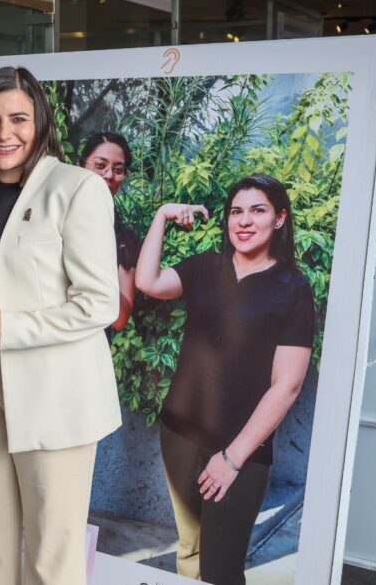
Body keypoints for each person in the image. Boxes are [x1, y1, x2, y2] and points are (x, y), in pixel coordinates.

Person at [0, 66, 121, 585]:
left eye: (18, 118)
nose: (4, 134)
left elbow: (99, 303)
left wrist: (11, 323)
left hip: (52, 382)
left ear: (39, 121)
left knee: (51, 551)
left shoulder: (77, 187)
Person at [134, 174, 315, 585]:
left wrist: (232, 459)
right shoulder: (206, 267)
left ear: (280, 218)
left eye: (258, 210)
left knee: (221, 569)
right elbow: (148, 282)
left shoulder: (293, 288)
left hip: (242, 450)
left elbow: (286, 385)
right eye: (236, 211)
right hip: (179, 434)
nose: (244, 221)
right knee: (190, 549)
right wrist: (162, 215)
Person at [78, 132, 142, 338]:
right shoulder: (55, 216)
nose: (108, 175)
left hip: (90, 346)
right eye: (100, 165)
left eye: (118, 169)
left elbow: (120, 318)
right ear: (81, 166)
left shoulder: (124, 238)